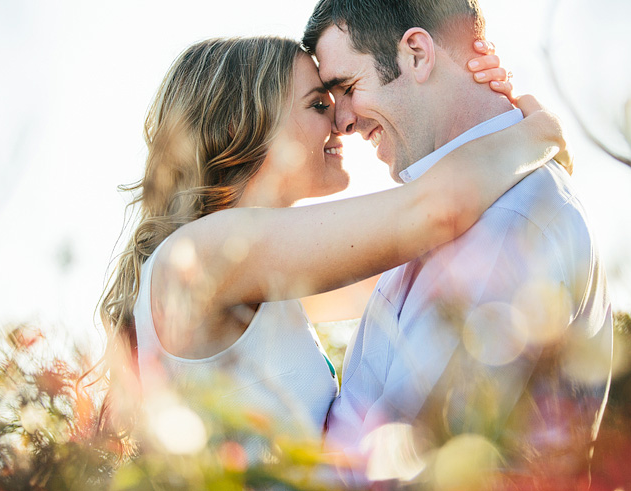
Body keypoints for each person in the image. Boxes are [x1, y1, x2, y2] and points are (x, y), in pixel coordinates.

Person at [96, 34, 567, 442]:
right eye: (318, 104)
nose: (342, 119)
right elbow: (432, 212)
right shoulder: (208, 250)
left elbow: (433, 263)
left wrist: (468, 97)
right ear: (242, 124)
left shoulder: (250, 273)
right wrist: (539, 132)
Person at [303, 0, 612, 476]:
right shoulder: (453, 209)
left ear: (416, 54)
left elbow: (408, 462)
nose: (343, 122)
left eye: (348, 88)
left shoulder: (511, 222)